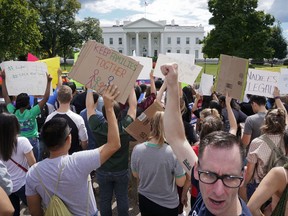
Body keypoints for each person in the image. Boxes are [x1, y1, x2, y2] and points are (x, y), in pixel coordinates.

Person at [160, 63, 251, 216]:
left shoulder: (206, 180)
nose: (218, 191)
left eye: (229, 177)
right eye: (210, 174)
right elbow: (175, 137)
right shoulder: (202, 178)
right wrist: (172, 84)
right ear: (196, 171)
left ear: (243, 176)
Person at [25, 84, 121, 216]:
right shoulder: (79, 161)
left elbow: (35, 211)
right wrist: (109, 108)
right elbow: (114, 145)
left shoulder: (33, 173)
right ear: (68, 140)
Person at [87, 87, 137, 216]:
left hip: (103, 169)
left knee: (105, 199)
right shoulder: (125, 126)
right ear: (120, 113)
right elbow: (133, 107)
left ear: (102, 113)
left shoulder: (97, 126)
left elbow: (90, 108)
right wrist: (130, 86)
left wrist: (89, 89)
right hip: (121, 170)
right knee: (122, 197)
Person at [131, 111, 186, 216]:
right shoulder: (173, 152)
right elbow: (180, 182)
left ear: (151, 126)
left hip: (145, 200)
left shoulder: (137, 149)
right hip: (167, 204)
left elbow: (135, 175)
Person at [0, 70, 52, 161]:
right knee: (34, 163)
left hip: (18, 141)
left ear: (17, 102)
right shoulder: (32, 112)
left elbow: (5, 96)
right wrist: (49, 82)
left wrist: (3, 79)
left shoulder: (13, 111)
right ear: (28, 103)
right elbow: (46, 98)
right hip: (33, 141)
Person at [0, 113, 36, 216]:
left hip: (6, 186)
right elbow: (33, 164)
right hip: (24, 184)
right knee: (35, 209)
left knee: (14, 212)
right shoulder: (23, 141)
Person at [45, 85, 88, 154]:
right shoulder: (78, 119)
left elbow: (46, 140)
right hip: (74, 157)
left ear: (58, 98)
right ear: (71, 97)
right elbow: (84, 143)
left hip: (55, 158)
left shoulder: (49, 118)